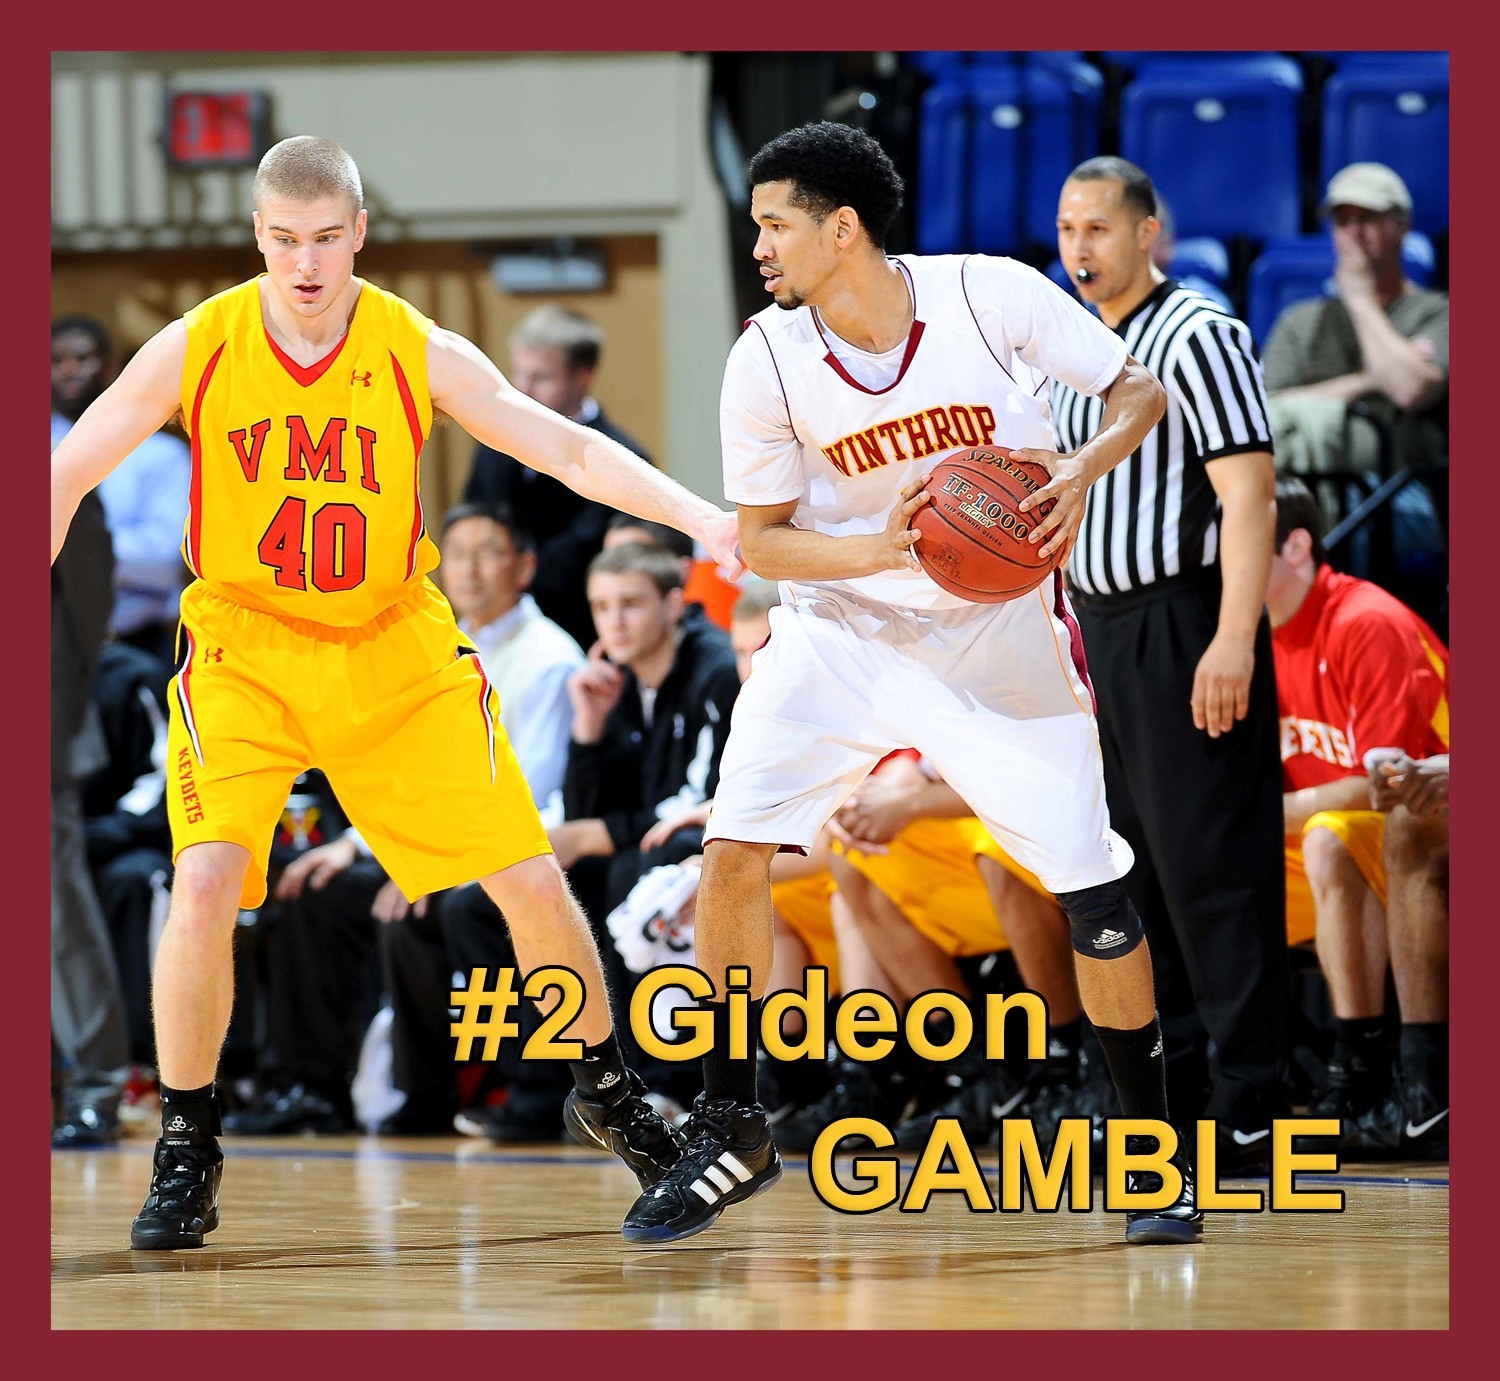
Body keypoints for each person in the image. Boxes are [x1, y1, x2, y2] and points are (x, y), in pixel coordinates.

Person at [49, 135, 739, 1251]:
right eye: (285, 240)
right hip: (245, 649)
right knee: (205, 879)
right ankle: (186, 1146)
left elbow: (566, 448)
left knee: (528, 879)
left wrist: (703, 520)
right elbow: (67, 471)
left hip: (392, 646)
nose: (306, 263)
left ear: (360, 233)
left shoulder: (414, 345)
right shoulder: (200, 343)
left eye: (327, 238)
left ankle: (613, 1100)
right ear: (257, 236)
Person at [620, 122, 1197, 1247]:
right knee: (733, 849)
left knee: (1092, 887)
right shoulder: (766, 356)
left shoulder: (988, 294)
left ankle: (1151, 1154)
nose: (759, 247)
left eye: (775, 224)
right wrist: (880, 549)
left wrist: (1079, 469)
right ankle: (732, 1125)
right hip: (839, 631)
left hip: (996, 634)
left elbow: (1139, 391)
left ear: (843, 228)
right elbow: (763, 542)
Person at [1051, 156, 1289, 1170]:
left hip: (1185, 621)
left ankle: (1253, 1101)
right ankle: (1169, 1099)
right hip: (1100, 633)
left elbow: (1249, 497)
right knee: (1132, 877)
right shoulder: (1069, 352)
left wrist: (1233, 638)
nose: (1079, 248)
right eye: (1067, 229)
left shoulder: (1200, 333)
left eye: (1098, 228)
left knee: (1213, 873)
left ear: (1149, 232)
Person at [1264, 478, 1449, 1157]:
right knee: (1184, 868)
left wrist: (1275, 814)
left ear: (1296, 546)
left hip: (1429, 831)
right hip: (1343, 849)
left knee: (1328, 837)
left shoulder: (1364, 621)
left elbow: (1389, 787)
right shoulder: (1246, 640)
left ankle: (1364, 1068)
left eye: (1241, 540)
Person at [464, 305, 653, 648]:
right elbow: (471, 523)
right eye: (519, 373)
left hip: (577, 635)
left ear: (582, 377)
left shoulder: (624, 459)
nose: (523, 389)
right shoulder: (493, 443)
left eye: (541, 377)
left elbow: (583, 558)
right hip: (490, 630)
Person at [1263, 163, 1448, 477]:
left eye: (1367, 219)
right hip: (1311, 482)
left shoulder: (1440, 312)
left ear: (1403, 226)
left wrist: (1361, 300)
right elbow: (1268, 413)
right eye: (1342, 221)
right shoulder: (1299, 320)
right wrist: (1371, 380)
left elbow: (1409, 390)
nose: (1354, 234)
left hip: (1400, 486)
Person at [51, 479, 132, 1147]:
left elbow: (89, 599)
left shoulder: (59, 467)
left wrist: (60, 713)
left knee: (56, 911)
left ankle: (96, 1084)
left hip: (36, 718)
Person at [52, 316, 192, 661]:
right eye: (56, 360)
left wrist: (73, 547)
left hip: (135, 642)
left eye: (82, 358)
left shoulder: (162, 454)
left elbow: (164, 559)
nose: (69, 370)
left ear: (110, 368)